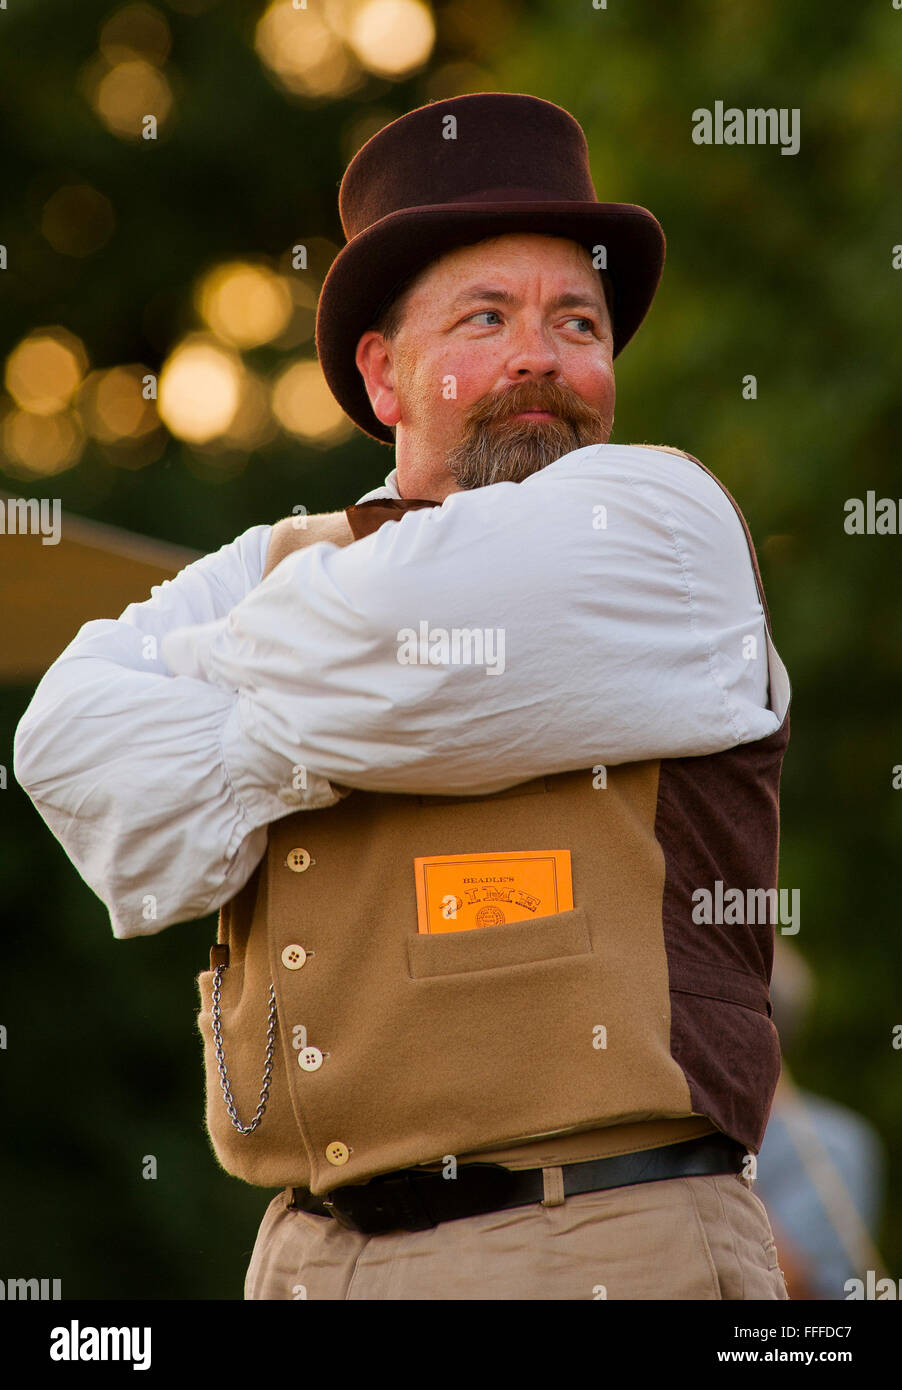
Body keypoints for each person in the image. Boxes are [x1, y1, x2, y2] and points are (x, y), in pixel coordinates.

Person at [14, 92, 792, 1300]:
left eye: (575, 321)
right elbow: (67, 746)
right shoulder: (280, 566)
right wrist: (331, 692)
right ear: (383, 375)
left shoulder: (662, 524)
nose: (541, 353)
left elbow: (401, 638)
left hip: (604, 1239)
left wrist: (237, 710)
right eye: (487, 317)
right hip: (307, 1258)